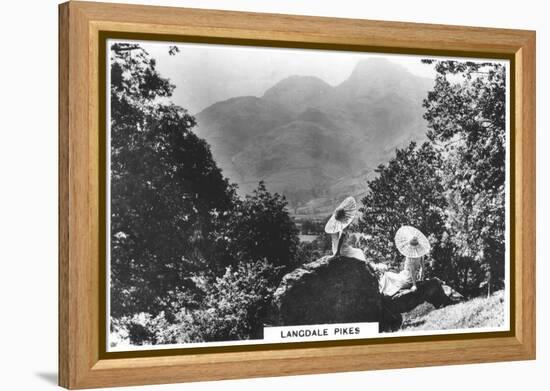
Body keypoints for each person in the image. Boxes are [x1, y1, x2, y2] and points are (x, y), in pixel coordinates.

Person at [378, 226, 431, 297]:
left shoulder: (410, 255)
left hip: (407, 279)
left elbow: (412, 270)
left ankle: (381, 292)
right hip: (413, 277)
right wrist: (421, 278)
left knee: (387, 274)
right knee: (394, 274)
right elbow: (422, 267)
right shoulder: (421, 253)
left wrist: (414, 285)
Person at [324, 196, 367, 261]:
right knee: (359, 252)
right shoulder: (345, 226)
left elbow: (336, 239)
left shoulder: (340, 225)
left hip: (335, 248)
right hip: (342, 250)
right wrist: (337, 252)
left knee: (357, 251)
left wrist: (336, 251)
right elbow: (341, 239)